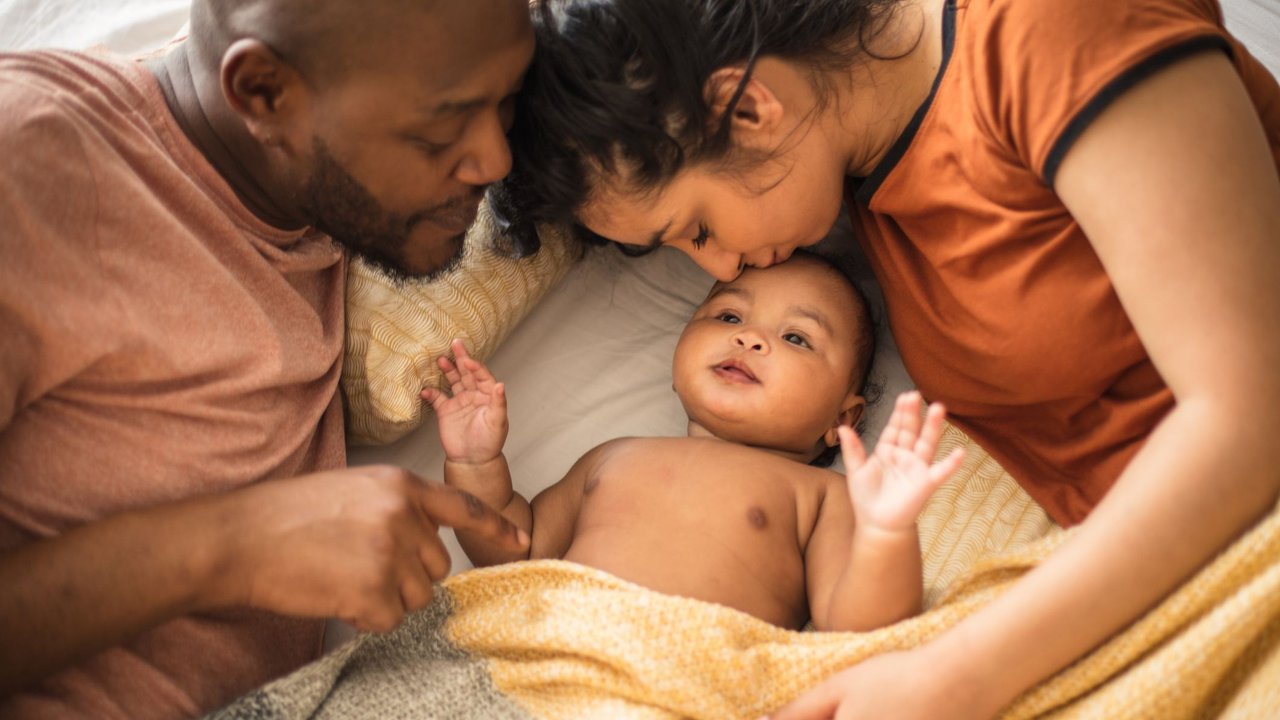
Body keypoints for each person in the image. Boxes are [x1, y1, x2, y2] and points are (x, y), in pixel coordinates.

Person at [493, 0, 1280, 717]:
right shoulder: (857, 176)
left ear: (752, 108)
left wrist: (954, 676)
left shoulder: (1055, 28)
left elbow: (1250, 418)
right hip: (1142, 581)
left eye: (696, 228)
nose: (724, 268)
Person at [0, 0, 534, 717]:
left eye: (507, 102)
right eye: (439, 132)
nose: (495, 160)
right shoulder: (32, 165)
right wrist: (239, 547)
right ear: (261, 92)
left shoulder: (308, 174)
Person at [425, 253, 966, 631]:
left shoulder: (821, 495)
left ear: (842, 419)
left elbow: (855, 626)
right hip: (551, 648)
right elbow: (517, 550)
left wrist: (886, 533)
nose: (749, 337)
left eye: (796, 337)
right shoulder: (614, 456)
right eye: (729, 315)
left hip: (682, 679)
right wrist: (476, 462)